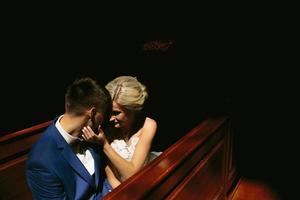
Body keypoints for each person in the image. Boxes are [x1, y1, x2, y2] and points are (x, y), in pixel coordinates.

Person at [26, 77, 112, 200]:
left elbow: (102, 181)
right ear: (92, 113)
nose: (102, 122)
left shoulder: (93, 135)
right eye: (103, 114)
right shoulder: (41, 162)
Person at [82, 75, 160, 193]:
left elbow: (132, 175)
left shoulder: (148, 125)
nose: (110, 118)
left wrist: (105, 145)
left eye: (116, 113)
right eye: (109, 112)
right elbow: (111, 177)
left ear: (132, 110)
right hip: (119, 189)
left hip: (147, 181)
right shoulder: (105, 129)